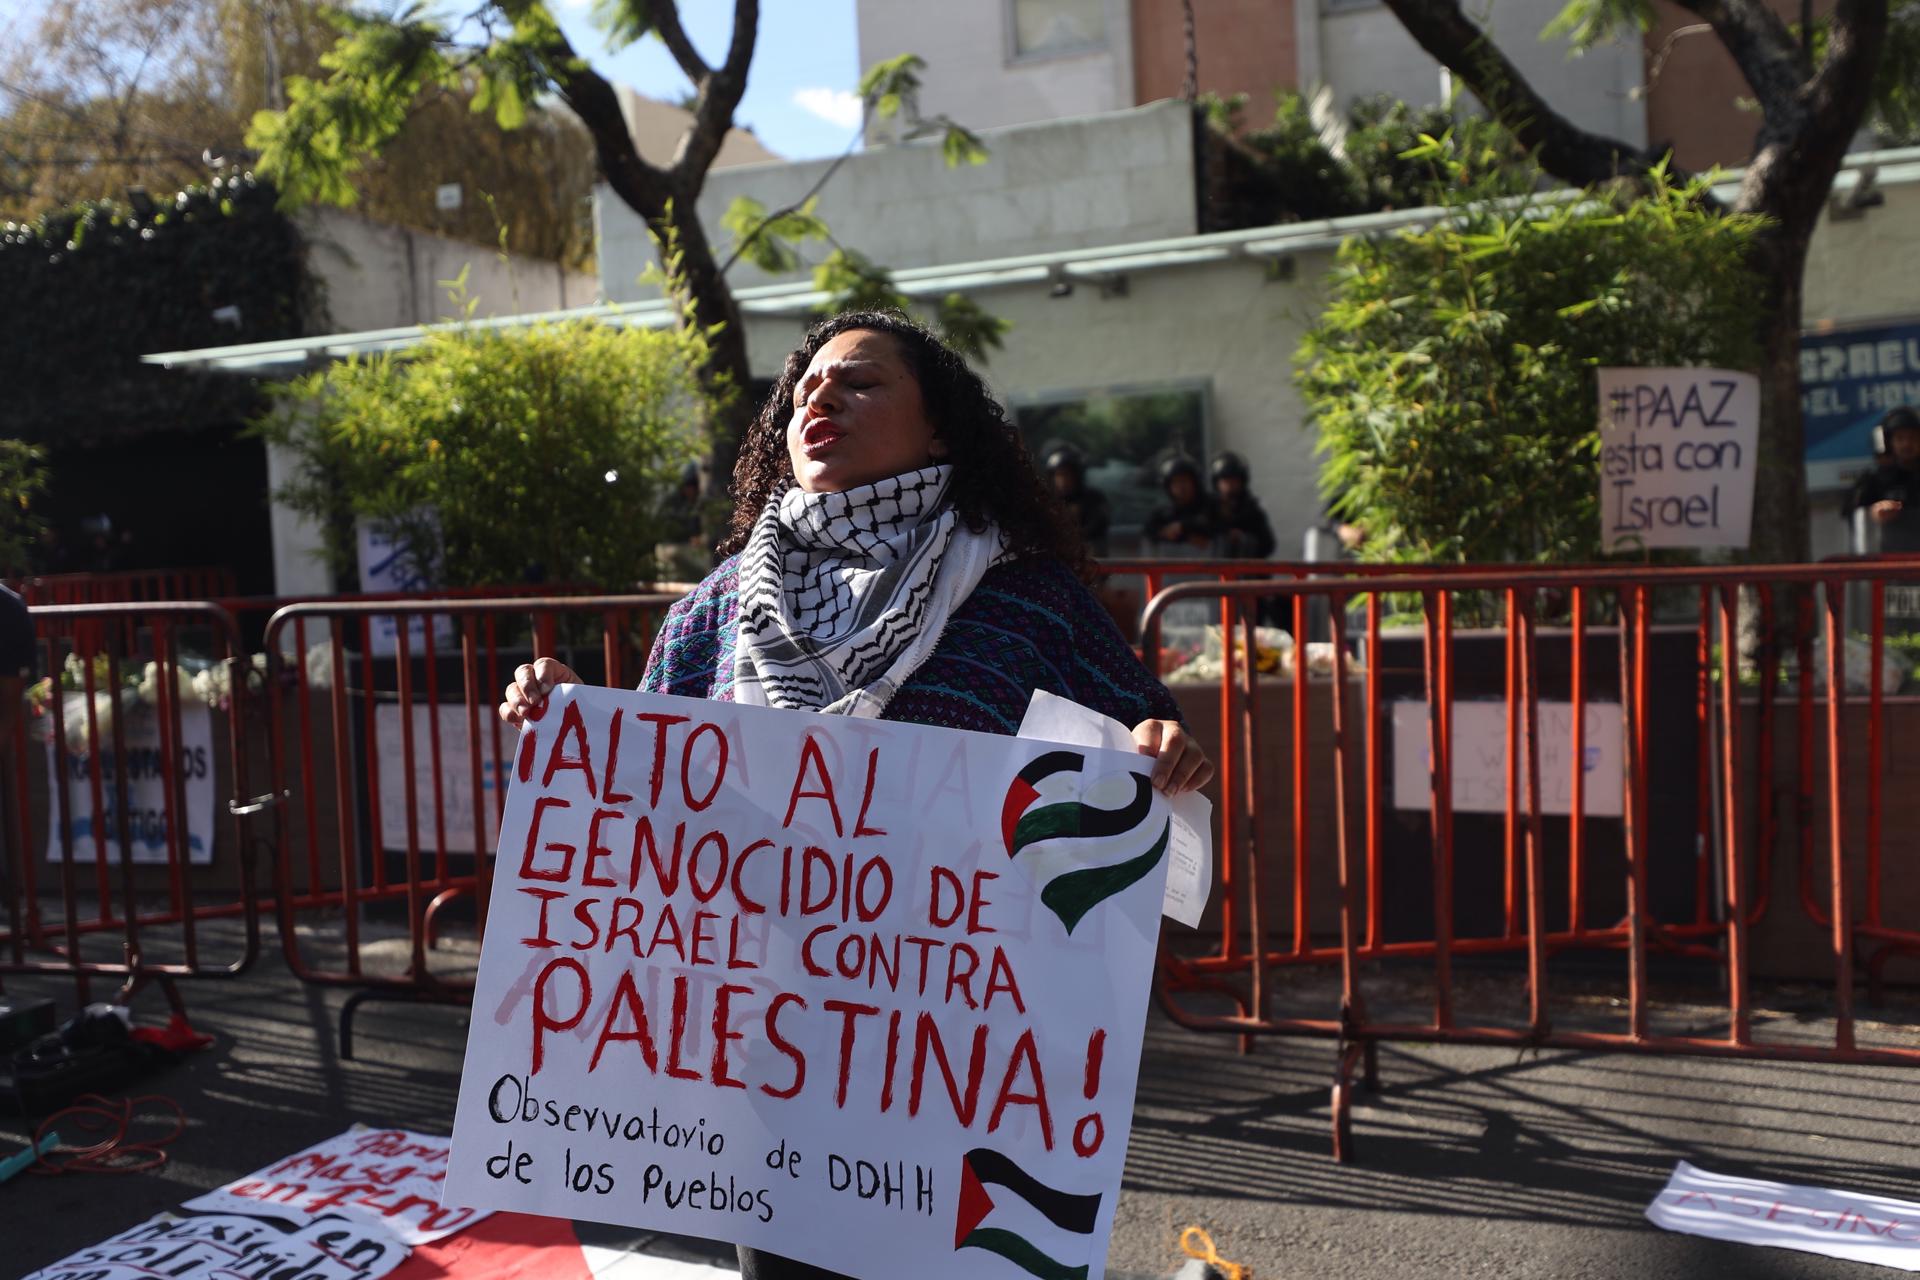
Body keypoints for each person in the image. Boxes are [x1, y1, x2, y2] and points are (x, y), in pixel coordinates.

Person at [498, 311, 1212, 1280]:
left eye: (860, 382)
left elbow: (1140, 754)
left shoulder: (1028, 597)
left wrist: (1157, 750)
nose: (819, 399)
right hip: (769, 1044)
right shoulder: (710, 610)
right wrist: (573, 720)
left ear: (943, 430)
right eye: (802, 391)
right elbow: (646, 794)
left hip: (965, 1052)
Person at [1846, 407, 1920, 553]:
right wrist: (1875, 512)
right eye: (1900, 438)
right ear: (1887, 442)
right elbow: (1854, 514)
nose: (1906, 444)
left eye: (1913, 438)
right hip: (1888, 564)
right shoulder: (1873, 480)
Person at [1043, 441, 1110, 557]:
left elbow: (1098, 527)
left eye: (1066, 475)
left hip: (1087, 560)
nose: (1062, 480)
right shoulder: (1046, 502)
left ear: (1077, 475)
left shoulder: (1093, 499)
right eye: (1058, 475)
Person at [1208, 451, 1275, 560]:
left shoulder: (1252, 510)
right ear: (1217, 482)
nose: (1229, 485)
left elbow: (1268, 544)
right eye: (1225, 480)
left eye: (1234, 480)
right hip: (1215, 572)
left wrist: (1243, 539)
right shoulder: (1210, 508)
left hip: (1248, 572)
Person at [1145, 454, 1215, 553]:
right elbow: (1149, 533)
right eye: (1176, 482)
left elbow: (1211, 524)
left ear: (1195, 482)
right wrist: (1166, 534)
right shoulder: (1162, 512)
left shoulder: (1209, 504)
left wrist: (1183, 526)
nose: (1181, 487)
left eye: (1185, 481)